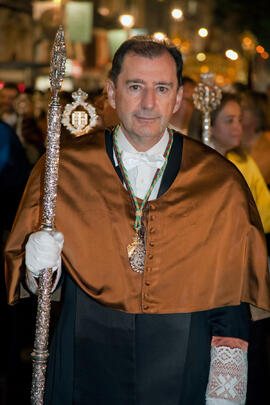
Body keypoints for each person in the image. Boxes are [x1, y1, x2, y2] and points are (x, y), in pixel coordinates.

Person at [5, 36, 270, 405]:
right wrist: (38, 270)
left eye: (162, 88)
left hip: (181, 364)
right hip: (85, 358)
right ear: (112, 93)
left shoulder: (219, 181)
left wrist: (226, 391)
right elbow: (38, 287)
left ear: (178, 98)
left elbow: (231, 298)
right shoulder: (64, 169)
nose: (148, 103)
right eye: (135, 87)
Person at [210, 93, 270, 234]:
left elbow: (264, 211)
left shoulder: (244, 162)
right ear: (209, 125)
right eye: (230, 121)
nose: (238, 127)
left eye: (240, 120)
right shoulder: (191, 163)